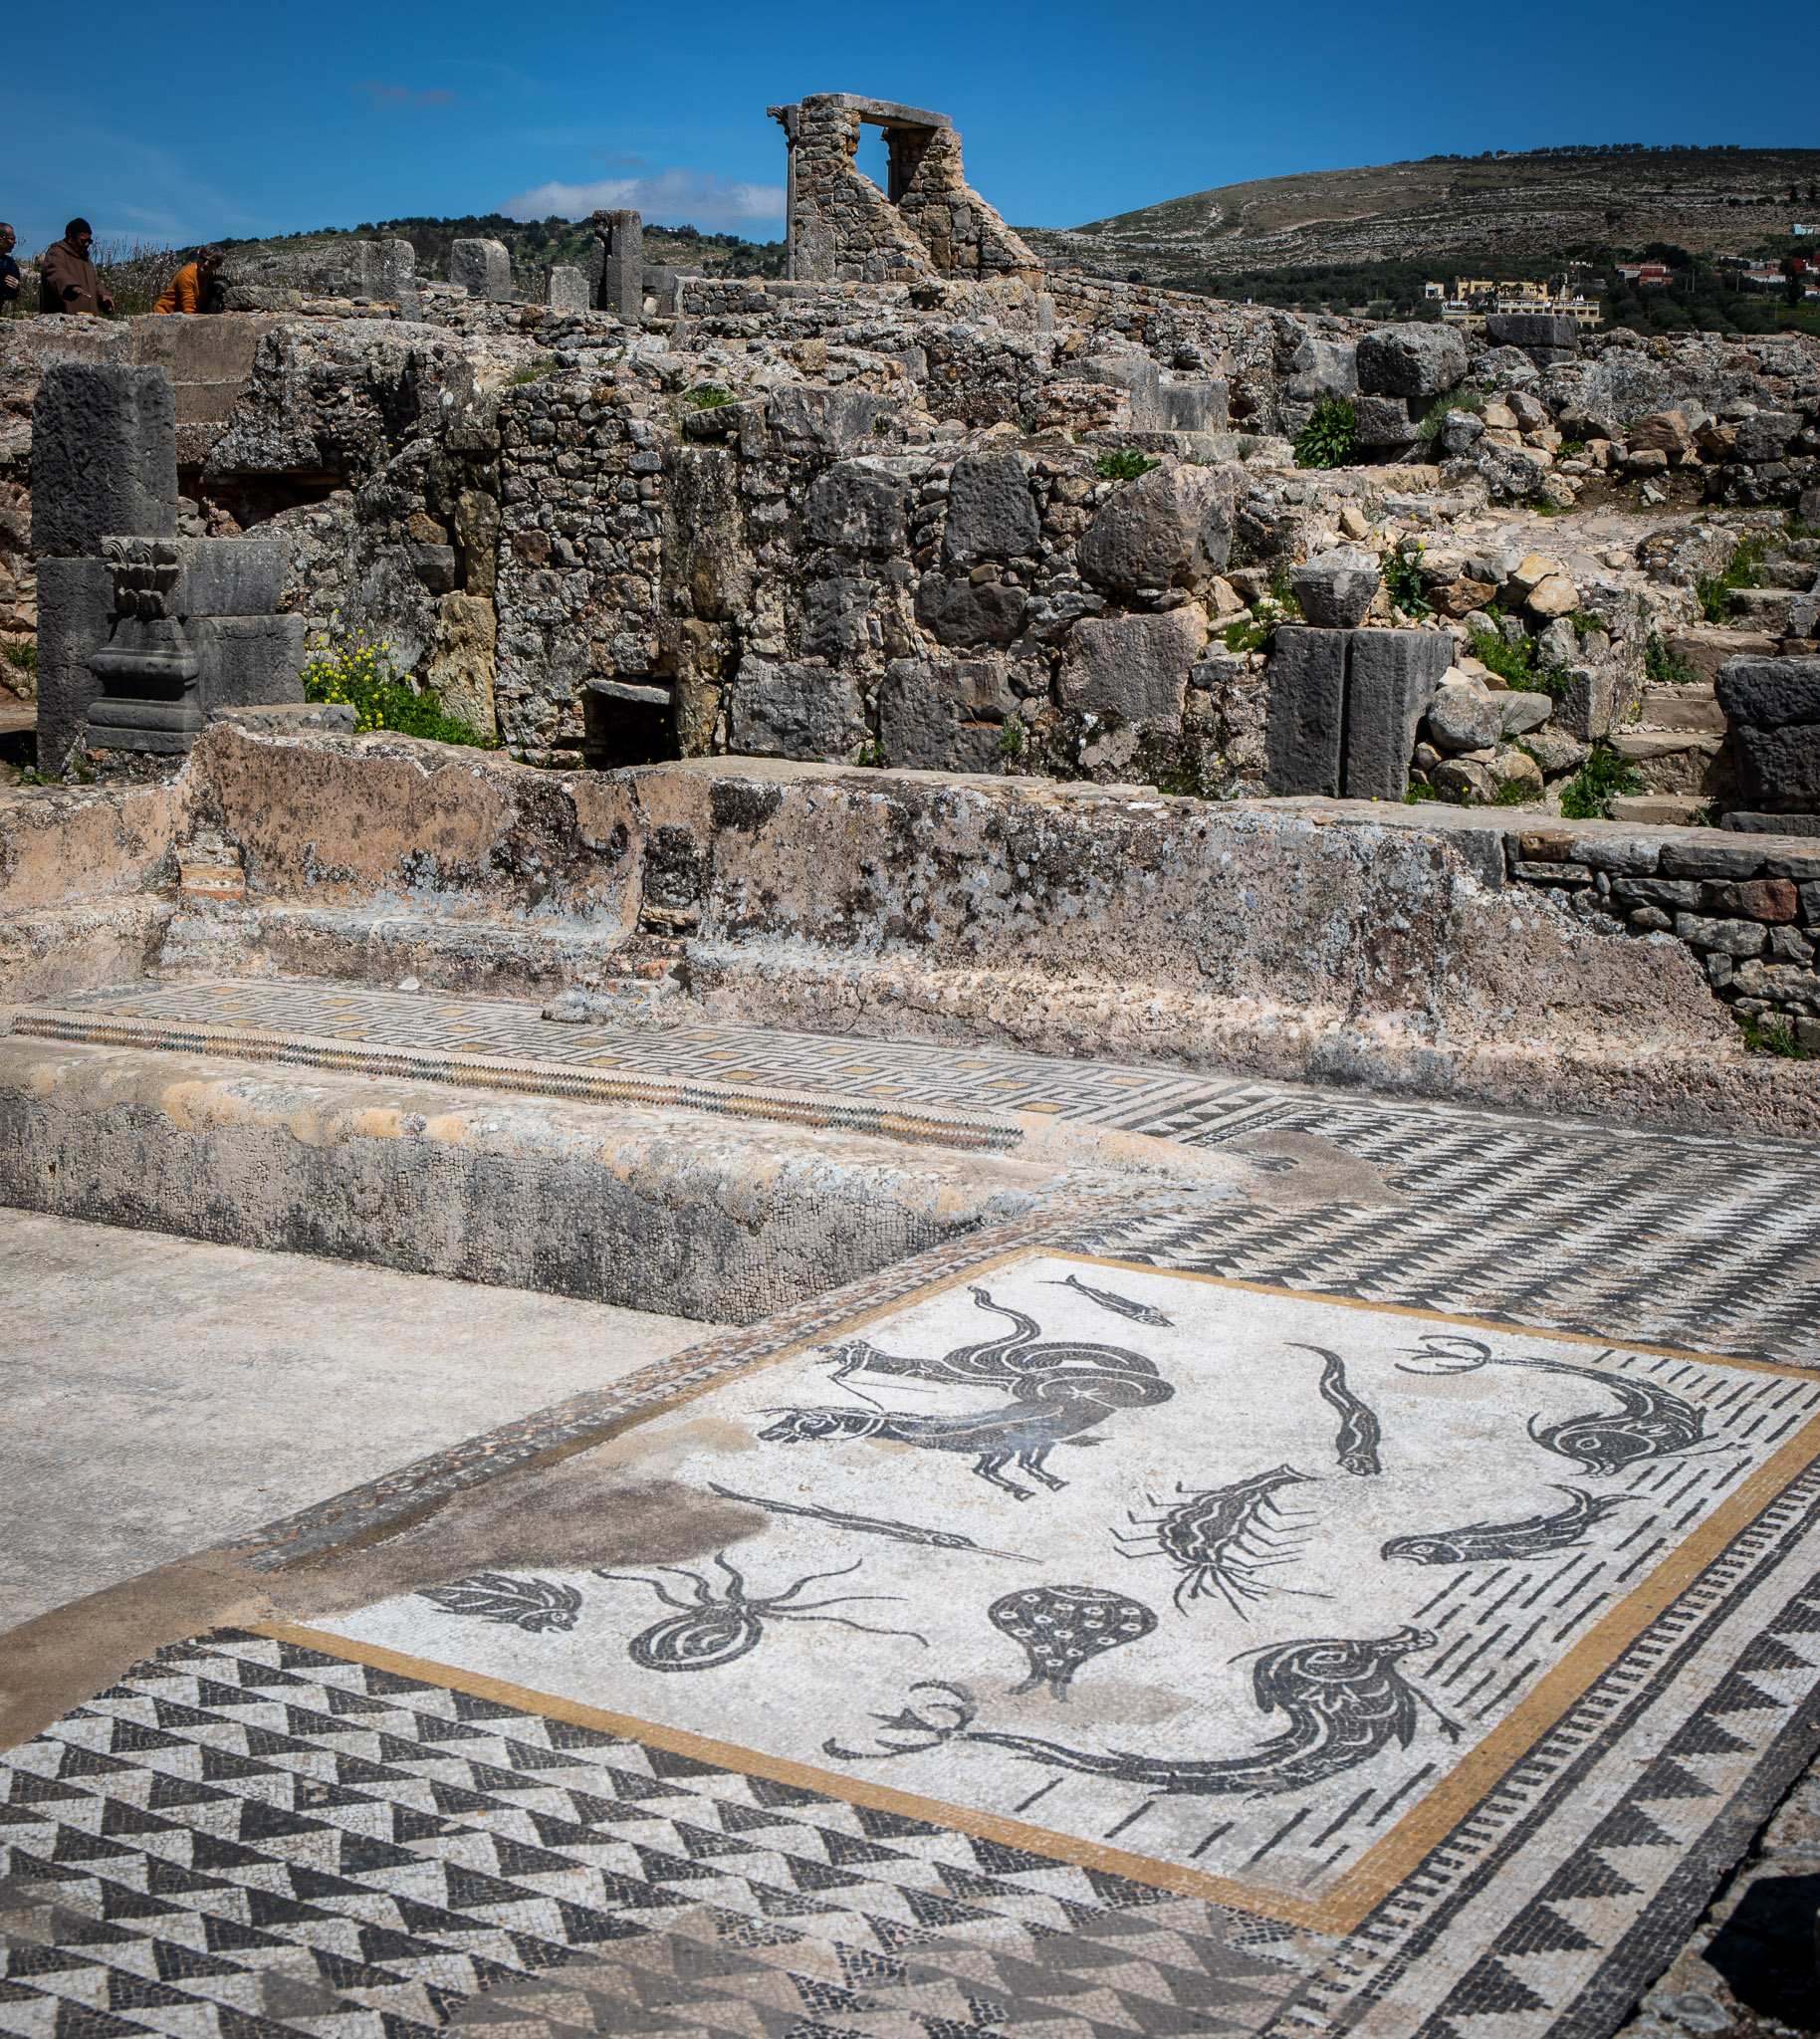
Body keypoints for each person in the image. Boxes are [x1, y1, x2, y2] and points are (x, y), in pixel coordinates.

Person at [40, 219, 113, 316]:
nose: (87, 244)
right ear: (70, 237)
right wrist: (71, 287)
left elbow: (95, 282)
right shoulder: (56, 253)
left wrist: (103, 295)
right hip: (63, 322)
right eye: (83, 241)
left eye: (89, 241)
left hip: (89, 322)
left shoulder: (86, 260)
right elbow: (56, 273)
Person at [154, 245, 223, 315]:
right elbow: (188, 306)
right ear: (199, 258)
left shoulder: (211, 275)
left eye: (211, 262)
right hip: (165, 314)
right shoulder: (187, 275)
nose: (206, 264)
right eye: (204, 259)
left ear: (216, 266)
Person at [0, 225, 21, 316]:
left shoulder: (9, 264)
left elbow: (11, 295)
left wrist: (16, 288)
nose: (15, 242)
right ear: (1, 240)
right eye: (12, 239)